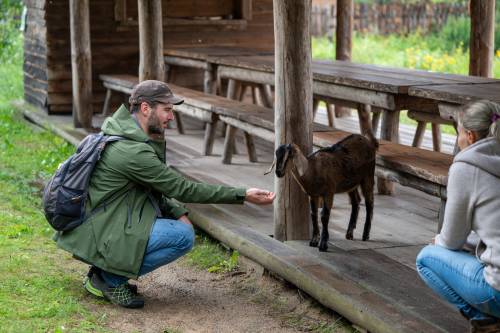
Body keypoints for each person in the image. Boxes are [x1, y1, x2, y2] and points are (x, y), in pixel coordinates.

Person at [55, 80, 275, 308]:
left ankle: (104, 271)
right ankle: (110, 279)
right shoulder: (133, 151)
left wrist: (177, 211)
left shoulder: (128, 134)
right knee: (182, 236)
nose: (171, 116)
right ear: (145, 109)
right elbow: (181, 188)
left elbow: (156, 188)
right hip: (102, 229)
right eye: (167, 110)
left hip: (103, 225)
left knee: (179, 227)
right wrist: (243, 194)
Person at [416, 100, 500, 332]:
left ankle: (489, 323)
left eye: (459, 133)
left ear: (470, 136)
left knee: (426, 258)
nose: (458, 140)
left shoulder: (466, 167)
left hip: (498, 291)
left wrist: (439, 242)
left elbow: (451, 239)